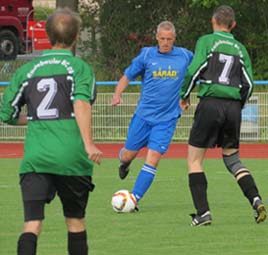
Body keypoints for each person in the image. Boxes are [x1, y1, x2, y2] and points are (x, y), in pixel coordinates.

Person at [0, 8, 103, 254]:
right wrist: (89, 144)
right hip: (72, 157)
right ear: (76, 36)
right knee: (75, 222)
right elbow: (81, 103)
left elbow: (6, 114)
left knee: (32, 224)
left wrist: (35, 118)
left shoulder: (27, 71)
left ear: (46, 35)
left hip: (37, 158)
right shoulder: (79, 68)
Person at [180, 5, 266, 226]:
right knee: (232, 159)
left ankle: (203, 214)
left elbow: (194, 70)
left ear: (213, 21)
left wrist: (184, 95)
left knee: (195, 160)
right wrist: (239, 105)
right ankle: (256, 200)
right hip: (233, 107)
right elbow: (248, 83)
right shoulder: (240, 49)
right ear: (233, 25)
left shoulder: (207, 41)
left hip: (210, 103)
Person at [111, 21, 193, 208]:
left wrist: (186, 96)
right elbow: (127, 76)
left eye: (169, 39)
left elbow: (196, 75)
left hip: (167, 119)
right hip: (143, 117)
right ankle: (124, 163)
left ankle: (134, 199)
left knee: (153, 157)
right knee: (127, 155)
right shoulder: (147, 54)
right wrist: (117, 94)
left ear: (174, 39)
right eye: (162, 39)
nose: (165, 42)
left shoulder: (185, 56)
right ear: (157, 37)